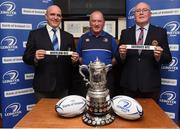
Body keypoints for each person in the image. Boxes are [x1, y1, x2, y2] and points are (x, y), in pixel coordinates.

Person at [115, 2, 172, 101]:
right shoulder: (125, 33)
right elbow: (118, 58)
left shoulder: (160, 32)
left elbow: (168, 58)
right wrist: (122, 55)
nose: (141, 13)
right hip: (129, 86)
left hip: (150, 86)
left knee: (151, 116)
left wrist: (159, 56)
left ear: (150, 14)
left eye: (144, 10)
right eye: (137, 11)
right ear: (134, 15)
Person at [23, 5, 79, 102]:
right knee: (42, 117)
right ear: (46, 16)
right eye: (52, 14)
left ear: (61, 18)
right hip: (43, 86)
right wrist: (35, 57)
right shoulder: (35, 34)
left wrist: (75, 61)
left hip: (63, 87)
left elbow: (72, 62)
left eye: (58, 15)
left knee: (63, 115)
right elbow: (26, 57)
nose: (55, 17)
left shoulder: (68, 37)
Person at [76, 10, 118, 97]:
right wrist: (89, 69)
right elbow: (78, 56)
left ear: (103, 23)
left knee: (106, 105)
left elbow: (115, 58)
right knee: (86, 105)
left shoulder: (111, 39)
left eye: (99, 21)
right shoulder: (82, 39)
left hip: (105, 80)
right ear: (90, 23)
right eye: (94, 21)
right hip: (87, 79)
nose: (96, 24)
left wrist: (104, 69)